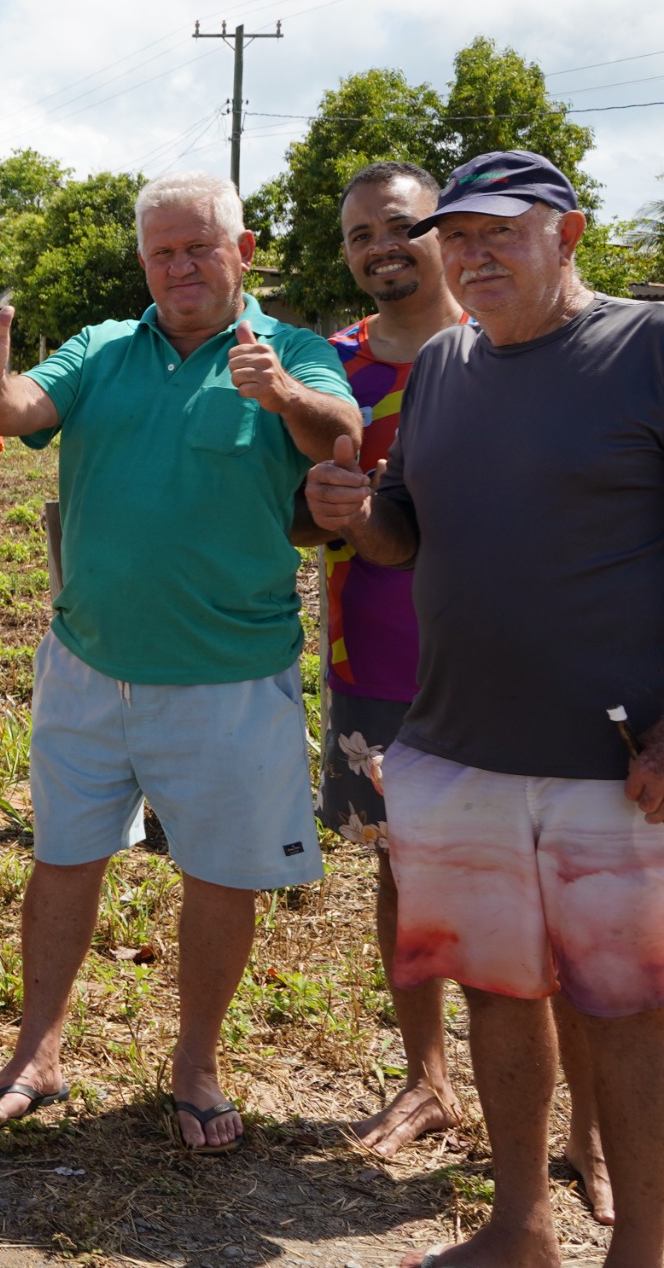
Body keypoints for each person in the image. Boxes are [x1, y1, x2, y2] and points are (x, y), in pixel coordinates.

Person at [304, 149, 664, 1268]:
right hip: (458, 746)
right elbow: (406, 531)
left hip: (613, 762)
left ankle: (642, 1246)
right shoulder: (448, 363)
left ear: (569, 232)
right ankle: (518, 1228)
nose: (469, 253)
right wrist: (355, 513)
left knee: (626, 1008)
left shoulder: (645, 347)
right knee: (499, 993)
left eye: (499, 231)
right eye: (455, 236)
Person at [0, 170, 356, 1150]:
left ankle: (196, 1061)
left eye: (198, 246)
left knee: (219, 873)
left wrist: (282, 391)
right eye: (162, 250)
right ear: (143, 262)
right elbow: (18, 409)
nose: (179, 265)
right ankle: (36, 1049)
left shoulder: (288, 350)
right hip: (90, 664)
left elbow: (338, 434)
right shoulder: (103, 345)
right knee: (61, 859)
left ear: (242, 251)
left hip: (230, 675)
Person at [302, 163, 468, 1157]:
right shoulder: (328, 367)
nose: (379, 249)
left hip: (504, 660)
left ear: (445, 230)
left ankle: (587, 1126)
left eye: (398, 225)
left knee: (528, 882)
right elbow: (288, 506)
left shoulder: (505, 345)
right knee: (401, 871)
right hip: (373, 656)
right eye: (359, 235)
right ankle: (426, 1078)